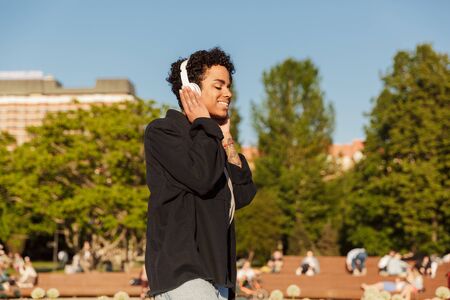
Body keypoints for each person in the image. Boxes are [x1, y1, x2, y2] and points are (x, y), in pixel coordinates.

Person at [144, 47, 257, 300]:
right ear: (191, 90)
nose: (228, 93)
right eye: (218, 86)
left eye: (228, 86)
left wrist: (226, 138)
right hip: (183, 273)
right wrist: (205, 124)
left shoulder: (211, 140)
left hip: (219, 275)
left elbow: (243, 194)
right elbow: (202, 178)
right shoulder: (163, 132)